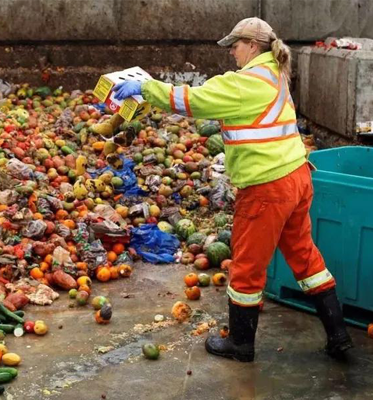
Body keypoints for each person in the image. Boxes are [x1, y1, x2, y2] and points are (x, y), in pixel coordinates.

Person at [113, 17, 353, 362]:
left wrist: (145, 88)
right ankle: (338, 334)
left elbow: (195, 100)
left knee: (246, 266)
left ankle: (241, 344)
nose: (232, 54)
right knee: (305, 257)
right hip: (297, 177)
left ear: (252, 46)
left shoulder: (247, 82)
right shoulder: (274, 74)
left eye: (235, 46)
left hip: (267, 187)